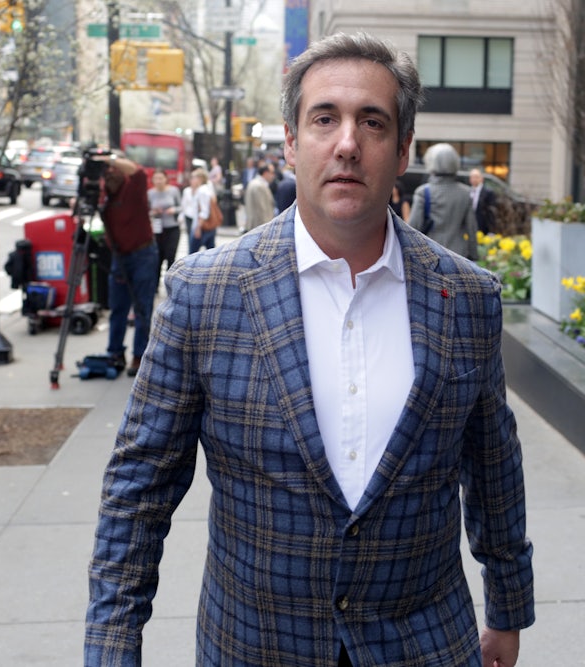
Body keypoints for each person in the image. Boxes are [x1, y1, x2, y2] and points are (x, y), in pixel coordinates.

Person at [86, 32, 534, 667]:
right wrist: (112, 645)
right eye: (325, 118)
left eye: (372, 122)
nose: (347, 143)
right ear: (292, 142)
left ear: (403, 149)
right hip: (254, 647)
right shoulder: (204, 293)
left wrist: (508, 608)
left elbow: (493, 466)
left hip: (424, 644)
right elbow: (139, 488)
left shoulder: (466, 297)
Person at [98, 153, 159, 378]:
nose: (109, 174)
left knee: (142, 308)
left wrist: (109, 160)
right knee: (118, 308)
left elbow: (139, 172)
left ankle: (139, 355)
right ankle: (115, 352)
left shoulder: (134, 186)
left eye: (113, 169)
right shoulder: (104, 193)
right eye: (107, 172)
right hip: (119, 255)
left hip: (143, 253)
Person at [408, 143, 479, 260]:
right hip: (458, 255)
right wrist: (474, 255)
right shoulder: (466, 193)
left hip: (431, 254)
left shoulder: (423, 192)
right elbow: (471, 229)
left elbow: (413, 228)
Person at [147, 168, 181, 291]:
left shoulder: (173, 191)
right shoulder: (150, 193)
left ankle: (170, 286)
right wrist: (153, 212)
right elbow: (146, 210)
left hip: (172, 227)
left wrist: (174, 210)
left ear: (166, 179)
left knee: (170, 256)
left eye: (161, 178)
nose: (158, 181)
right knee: (157, 258)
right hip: (157, 229)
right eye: (156, 178)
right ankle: (154, 286)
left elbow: (181, 206)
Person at [180, 167, 217, 253]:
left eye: (193, 178)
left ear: (200, 179)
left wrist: (198, 227)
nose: (191, 180)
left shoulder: (202, 191)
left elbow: (204, 212)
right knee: (210, 252)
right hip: (207, 226)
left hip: (201, 226)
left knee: (192, 254)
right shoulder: (205, 189)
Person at [242, 162, 275, 230]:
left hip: (255, 226)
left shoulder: (254, 183)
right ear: (265, 173)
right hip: (259, 226)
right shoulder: (259, 186)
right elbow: (262, 210)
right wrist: (267, 228)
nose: (273, 175)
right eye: (272, 173)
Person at [470, 168, 497, 234]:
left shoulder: (488, 193)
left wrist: (491, 230)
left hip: (483, 227)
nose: (474, 179)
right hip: (470, 226)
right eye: (472, 177)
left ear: (482, 179)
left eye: (476, 177)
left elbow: (491, 213)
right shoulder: (467, 191)